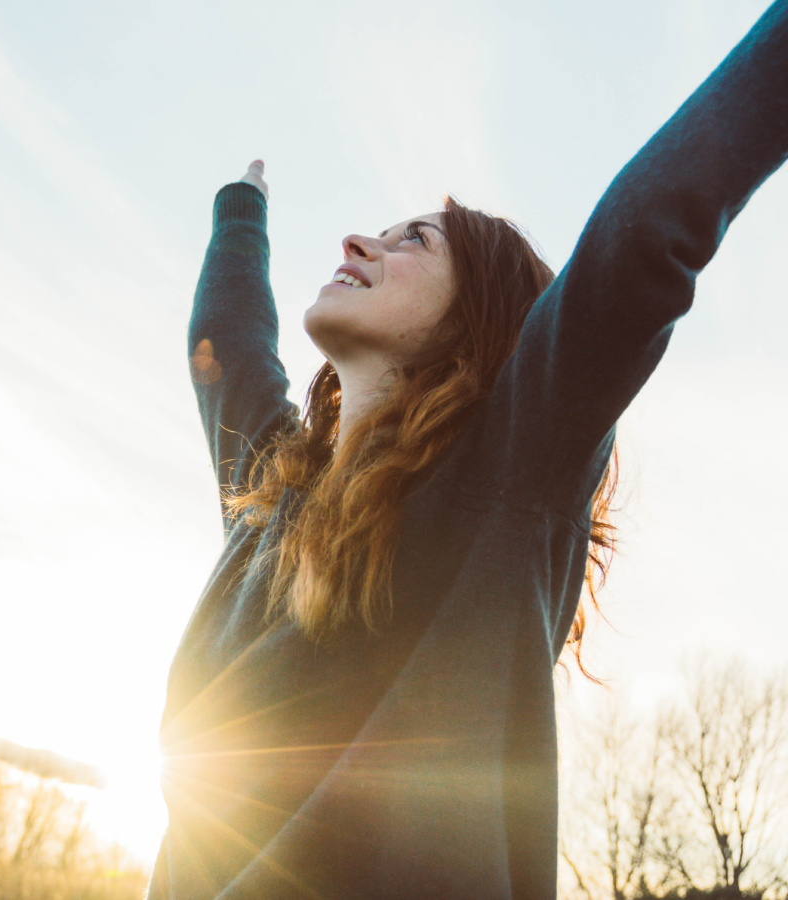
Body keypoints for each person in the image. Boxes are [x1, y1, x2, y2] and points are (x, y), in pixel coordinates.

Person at [146, 3, 788, 899]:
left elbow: (645, 228)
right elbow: (227, 351)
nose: (359, 240)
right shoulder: (270, 506)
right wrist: (241, 212)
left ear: (477, 324)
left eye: (415, 239)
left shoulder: (507, 479)